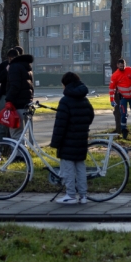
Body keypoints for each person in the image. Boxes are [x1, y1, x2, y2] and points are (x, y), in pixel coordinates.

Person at [50, 71, 95, 204]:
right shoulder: (85, 99)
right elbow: (90, 116)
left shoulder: (65, 101)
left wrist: (55, 143)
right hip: (81, 139)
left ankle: (70, 195)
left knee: (68, 168)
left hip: (67, 141)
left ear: (66, 85)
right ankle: (83, 196)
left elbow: (60, 125)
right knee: (80, 168)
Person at [109, 58, 131, 140]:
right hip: (123, 97)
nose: (122, 67)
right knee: (123, 114)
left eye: (123, 66)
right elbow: (112, 88)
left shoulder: (130, 70)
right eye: (120, 66)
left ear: (125, 64)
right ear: (117, 66)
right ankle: (124, 131)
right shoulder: (115, 76)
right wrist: (112, 100)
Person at [5, 50, 35, 140]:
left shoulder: (14, 67)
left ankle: (19, 154)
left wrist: (8, 99)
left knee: (16, 134)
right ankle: (24, 152)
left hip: (17, 104)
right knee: (22, 134)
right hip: (26, 103)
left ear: (10, 58)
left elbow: (15, 86)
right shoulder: (26, 67)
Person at [0, 47, 21, 139]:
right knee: (3, 124)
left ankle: (12, 147)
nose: (11, 60)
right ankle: (1, 147)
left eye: (13, 58)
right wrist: (5, 71)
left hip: (16, 97)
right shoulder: (4, 65)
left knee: (15, 125)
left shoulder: (20, 66)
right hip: (4, 96)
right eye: (9, 58)